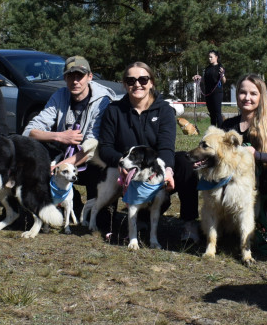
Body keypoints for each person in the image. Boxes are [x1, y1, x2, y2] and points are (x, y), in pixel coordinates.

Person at [175, 73, 267, 252]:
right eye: (243, 93)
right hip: (237, 185)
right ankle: (214, 225)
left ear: (261, 97)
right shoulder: (229, 125)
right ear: (237, 96)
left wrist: (256, 154)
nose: (247, 98)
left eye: (253, 93)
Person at [98, 61, 177, 241]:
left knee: (185, 165)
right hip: (124, 170)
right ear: (125, 84)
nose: (137, 84)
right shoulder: (114, 110)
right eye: (131, 80)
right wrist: (120, 162)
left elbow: (166, 147)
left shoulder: (164, 110)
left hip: (153, 169)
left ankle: (188, 223)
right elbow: (105, 147)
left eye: (143, 79)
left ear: (151, 83)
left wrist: (167, 172)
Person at [24, 55, 116, 206]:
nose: (75, 81)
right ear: (65, 78)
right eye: (70, 76)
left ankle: (98, 209)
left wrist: (57, 167)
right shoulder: (59, 95)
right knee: (31, 150)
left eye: (79, 76)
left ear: (90, 77)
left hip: (90, 159)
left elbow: (91, 149)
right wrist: (60, 136)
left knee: (100, 162)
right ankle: (37, 205)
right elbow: (30, 131)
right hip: (63, 154)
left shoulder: (103, 101)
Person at [193, 50, 226, 127]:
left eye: (211, 57)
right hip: (208, 93)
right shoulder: (207, 68)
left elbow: (224, 81)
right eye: (209, 57)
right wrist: (199, 78)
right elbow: (205, 80)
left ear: (216, 57)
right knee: (212, 113)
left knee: (217, 113)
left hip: (217, 93)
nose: (209, 58)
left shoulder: (220, 68)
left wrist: (223, 75)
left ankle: (221, 131)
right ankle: (213, 130)